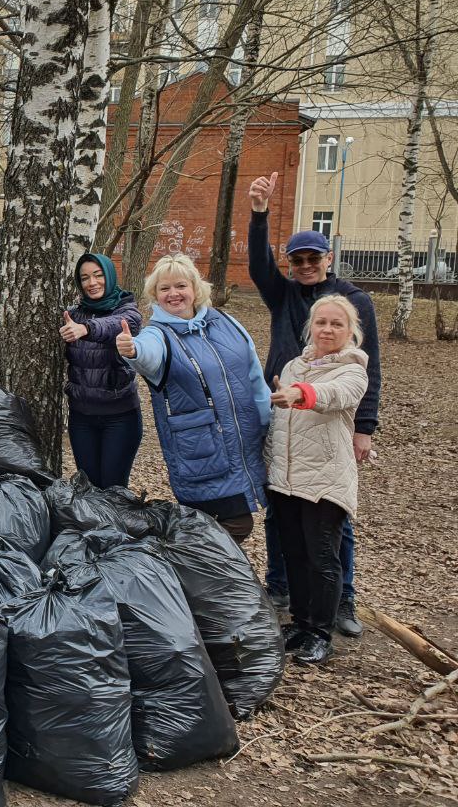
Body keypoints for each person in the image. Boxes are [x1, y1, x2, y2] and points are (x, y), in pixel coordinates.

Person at [248, 171, 380, 636]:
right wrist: (260, 213)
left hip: (325, 422)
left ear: (328, 259)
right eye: (297, 259)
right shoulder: (284, 295)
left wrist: (364, 426)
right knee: (282, 507)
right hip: (281, 419)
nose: (304, 265)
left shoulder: (351, 302)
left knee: (328, 518)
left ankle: (341, 600)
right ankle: (282, 586)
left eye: (312, 258)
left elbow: (366, 371)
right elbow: (258, 266)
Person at [116, 254, 269, 543]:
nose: (174, 294)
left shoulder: (225, 322)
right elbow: (149, 354)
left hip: (245, 443)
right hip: (202, 452)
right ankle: (191, 569)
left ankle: (213, 580)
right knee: (236, 524)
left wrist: (268, 422)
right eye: (164, 289)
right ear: (155, 296)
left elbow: (255, 377)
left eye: (180, 285)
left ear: (195, 289)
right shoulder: (157, 334)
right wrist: (132, 349)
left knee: (220, 526)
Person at [267, 296, 369, 666]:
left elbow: (334, 396)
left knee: (321, 558)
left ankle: (321, 633)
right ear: (310, 326)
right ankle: (301, 621)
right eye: (321, 322)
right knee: (292, 553)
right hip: (286, 479)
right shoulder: (294, 365)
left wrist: (302, 394)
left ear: (350, 331)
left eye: (336, 324)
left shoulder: (353, 370)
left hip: (325, 480)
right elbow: (278, 425)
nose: (327, 330)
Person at [61, 252, 144, 488]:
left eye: (98, 275)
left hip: (120, 418)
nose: (92, 283)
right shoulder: (73, 315)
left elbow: (115, 326)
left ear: (109, 275)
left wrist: (86, 329)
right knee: (89, 489)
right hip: (81, 418)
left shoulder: (128, 311)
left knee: (114, 489)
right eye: (85, 277)